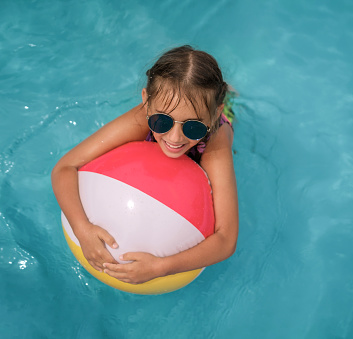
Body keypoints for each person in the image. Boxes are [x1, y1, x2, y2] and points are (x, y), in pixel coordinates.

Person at [51, 45, 238, 285]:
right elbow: (64, 168)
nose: (175, 137)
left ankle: (229, 101)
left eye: (193, 126)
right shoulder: (141, 119)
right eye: (162, 122)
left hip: (217, 125)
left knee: (229, 110)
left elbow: (226, 240)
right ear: (146, 102)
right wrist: (81, 228)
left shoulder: (214, 144)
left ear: (211, 117)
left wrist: (162, 266)